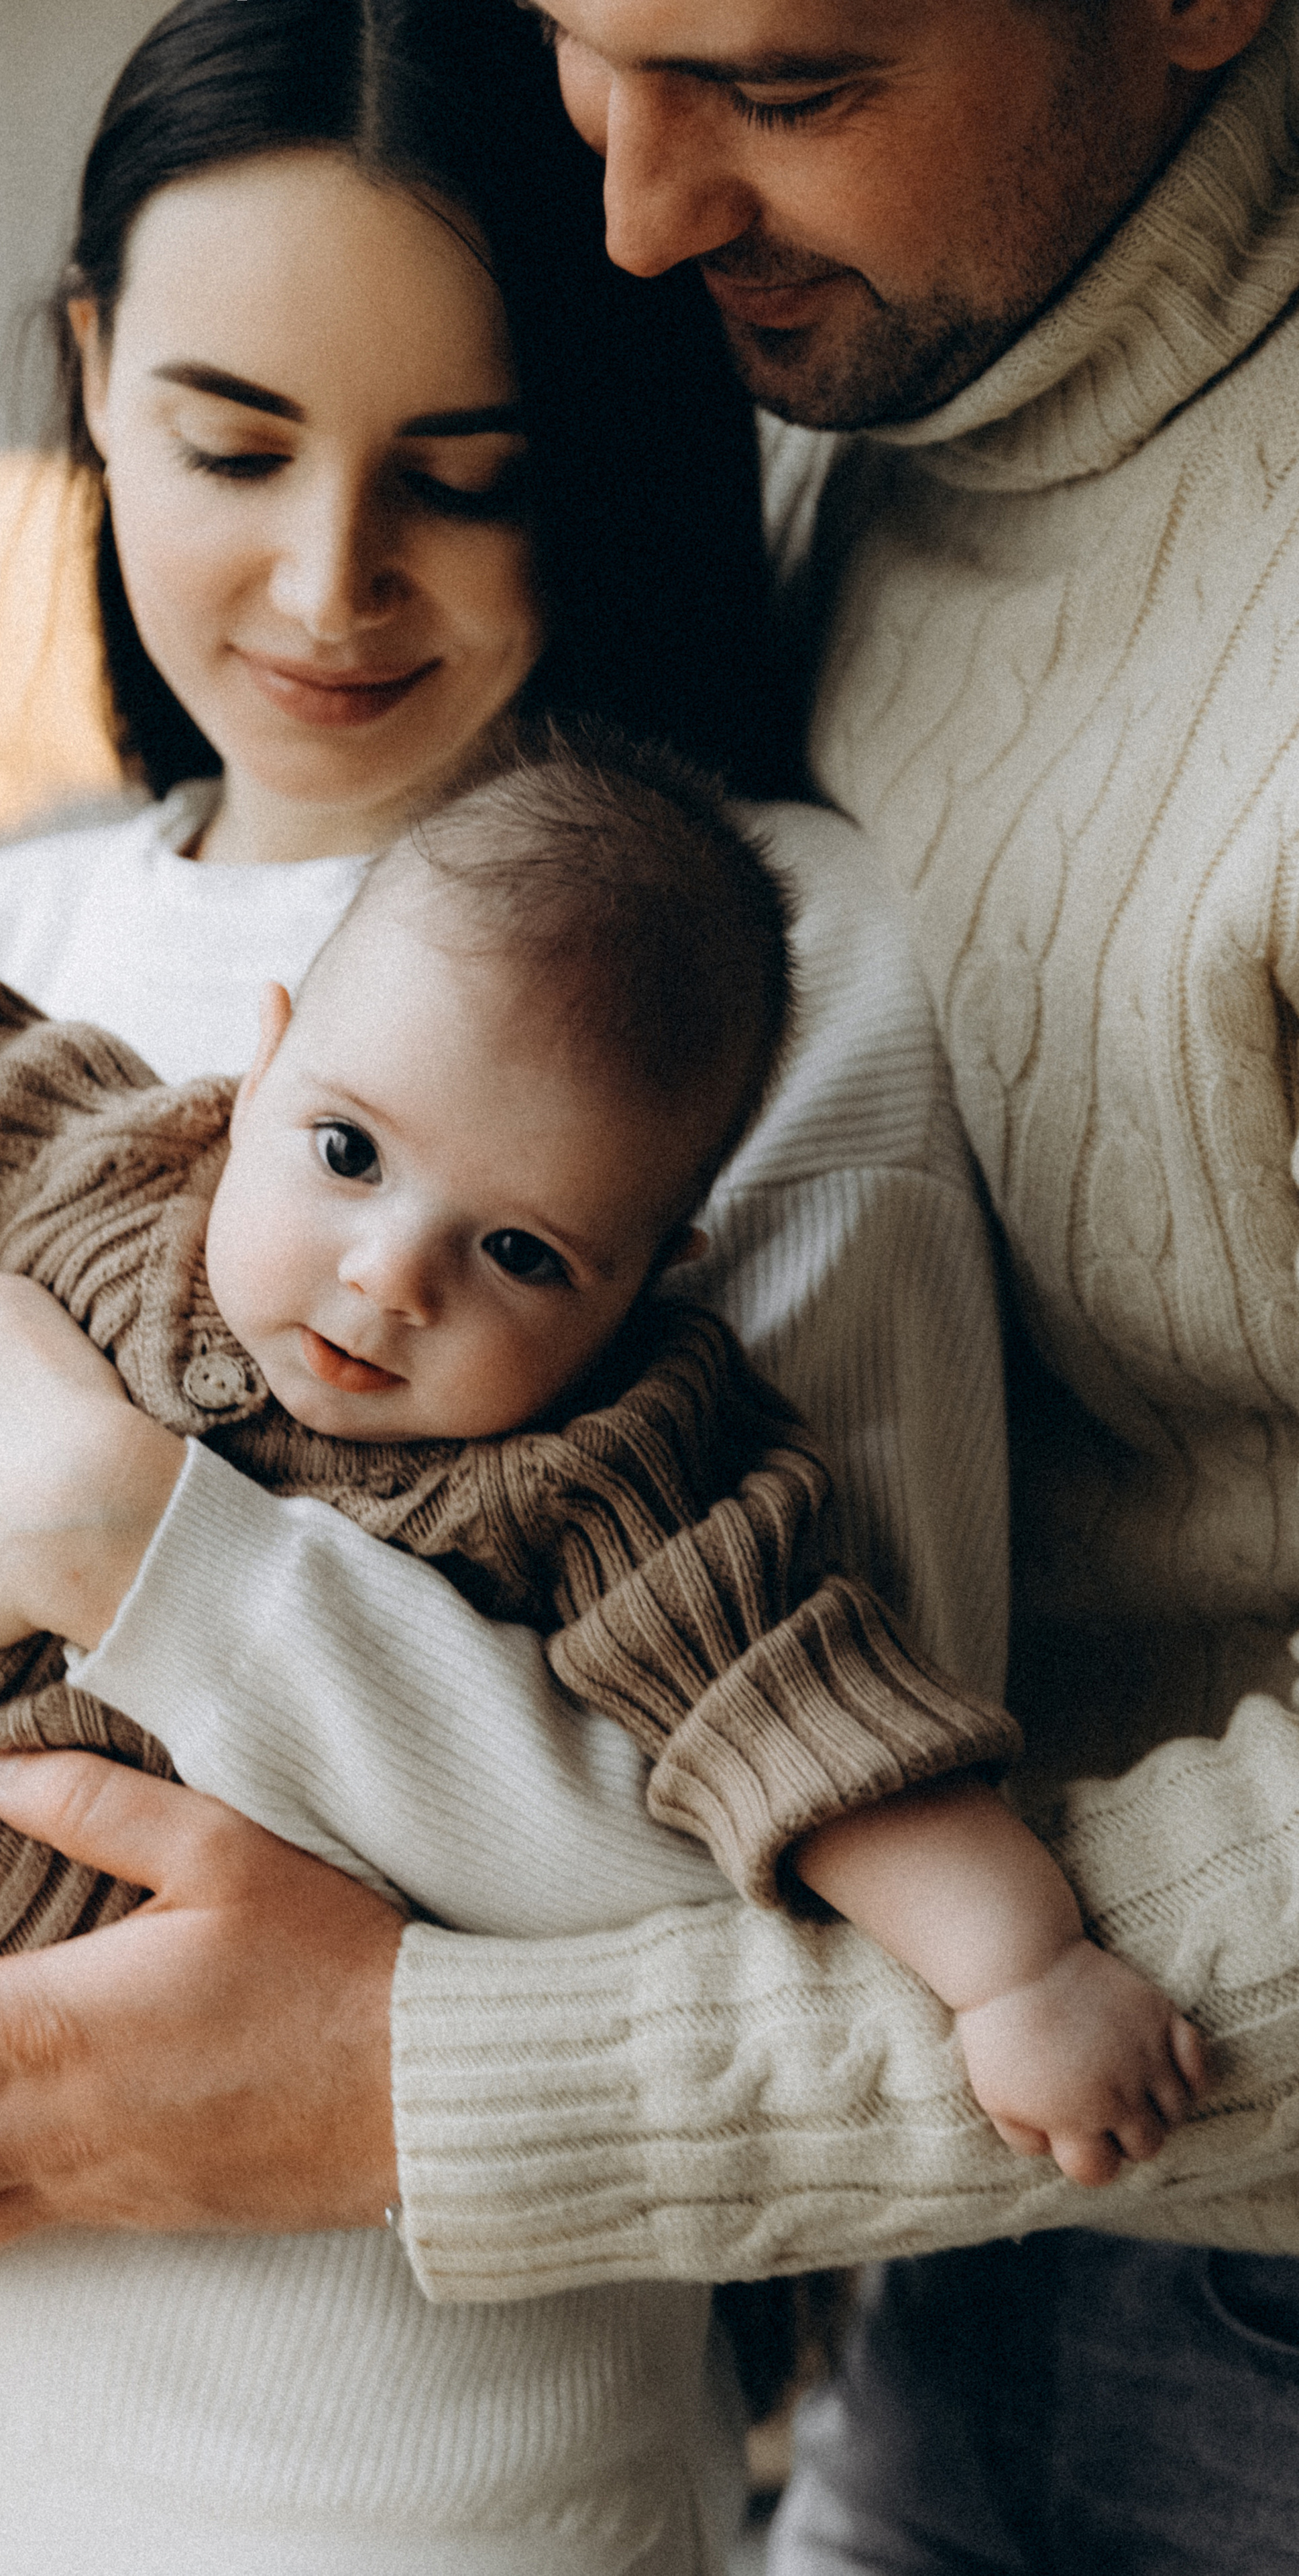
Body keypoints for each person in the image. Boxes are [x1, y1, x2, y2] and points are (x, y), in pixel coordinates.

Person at [0, 0, 1297, 2567]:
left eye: (463, 479)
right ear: (96, 375)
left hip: (403, 2502)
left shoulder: (755, 990)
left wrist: (143, 1547)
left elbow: (795, 1805)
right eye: (227, 446)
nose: (325, 584)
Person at [518, 0, 1299, 2569]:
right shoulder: (831, 389)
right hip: (966, 2229)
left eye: (785, 88)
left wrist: (426, 2082)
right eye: (571, 41)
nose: (635, 215)